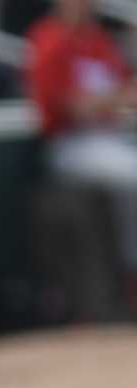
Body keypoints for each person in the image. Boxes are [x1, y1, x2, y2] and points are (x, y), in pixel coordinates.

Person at [25, 0, 137, 274]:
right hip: (69, 143)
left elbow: (125, 92)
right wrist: (111, 100)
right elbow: (69, 107)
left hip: (110, 138)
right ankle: (132, 273)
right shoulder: (48, 38)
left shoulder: (98, 39)